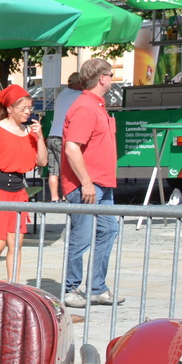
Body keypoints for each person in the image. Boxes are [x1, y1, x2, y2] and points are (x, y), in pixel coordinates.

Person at [60, 57, 121, 307]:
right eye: (110, 74)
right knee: (82, 236)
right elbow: (72, 148)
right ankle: (71, 288)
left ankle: (96, 287)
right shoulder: (86, 107)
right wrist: (85, 183)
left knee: (109, 229)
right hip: (88, 184)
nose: (111, 79)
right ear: (103, 78)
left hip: (100, 183)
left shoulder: (95, 105)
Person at [0, 84, 46, 283]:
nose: (27, 112)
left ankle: (14, 285)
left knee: (16, 244)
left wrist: (40, 137)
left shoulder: (31, 132)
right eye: (23, 108)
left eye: (29, 108)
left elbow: (42, 162)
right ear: (10, 109)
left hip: (18, 191)